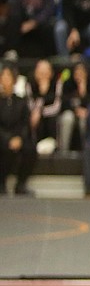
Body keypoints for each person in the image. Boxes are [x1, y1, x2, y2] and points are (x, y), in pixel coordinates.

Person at [0, 64, 36, 197]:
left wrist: (19, 138)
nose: (5, 79)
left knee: (30, 149)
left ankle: (21, 183)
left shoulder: (21, 102)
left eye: (8, 76)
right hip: (3, 138)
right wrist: (7, 139)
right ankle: (1, 182)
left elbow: (25, 124)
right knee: (4, 149)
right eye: (3, 76)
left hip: (18, 136)